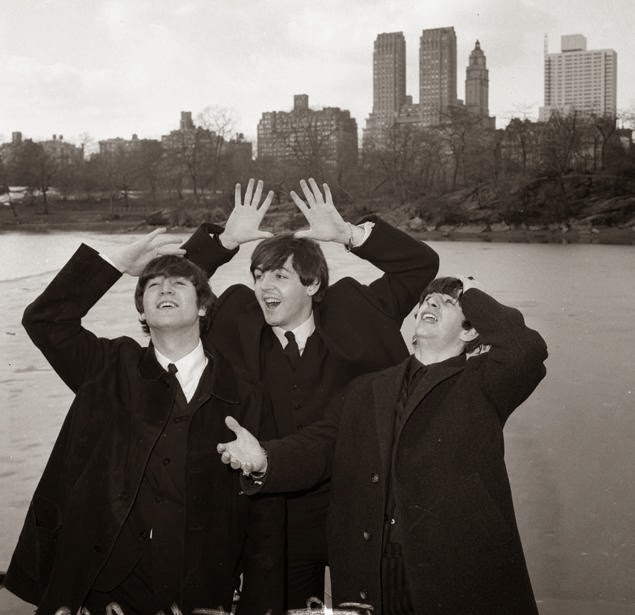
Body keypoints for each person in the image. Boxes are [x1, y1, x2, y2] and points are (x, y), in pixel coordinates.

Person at [217, 275, 548, 614]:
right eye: (426, 300)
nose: (431, 303)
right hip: (373, 568)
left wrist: (468, 294)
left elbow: (526, 349)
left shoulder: (484, 382)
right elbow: (320, 444)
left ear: (470, 331)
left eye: (447, 304)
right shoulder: (367, 388)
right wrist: (265, 459)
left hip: (454, 570)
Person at [182, 177, 439, 609]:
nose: (264, 286)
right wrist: (223, 242)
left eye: (279, 276)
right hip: (275, 517)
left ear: (313, 284)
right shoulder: (237, 317)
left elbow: (419, 265)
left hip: (361, 510)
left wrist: (350, 235)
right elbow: (173, 285)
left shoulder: (357, 309)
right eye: (259, 275)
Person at [4, 230, 283, 615]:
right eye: (153, 286)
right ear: (141, 313)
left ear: (203, 307)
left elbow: (264, 511)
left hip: (199, 590)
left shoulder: (244, 394)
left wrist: (261, 603)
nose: (164, 288)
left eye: (179, 284)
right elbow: (45, 320)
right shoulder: (109, 367)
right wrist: (115, 264)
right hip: (97, 587)